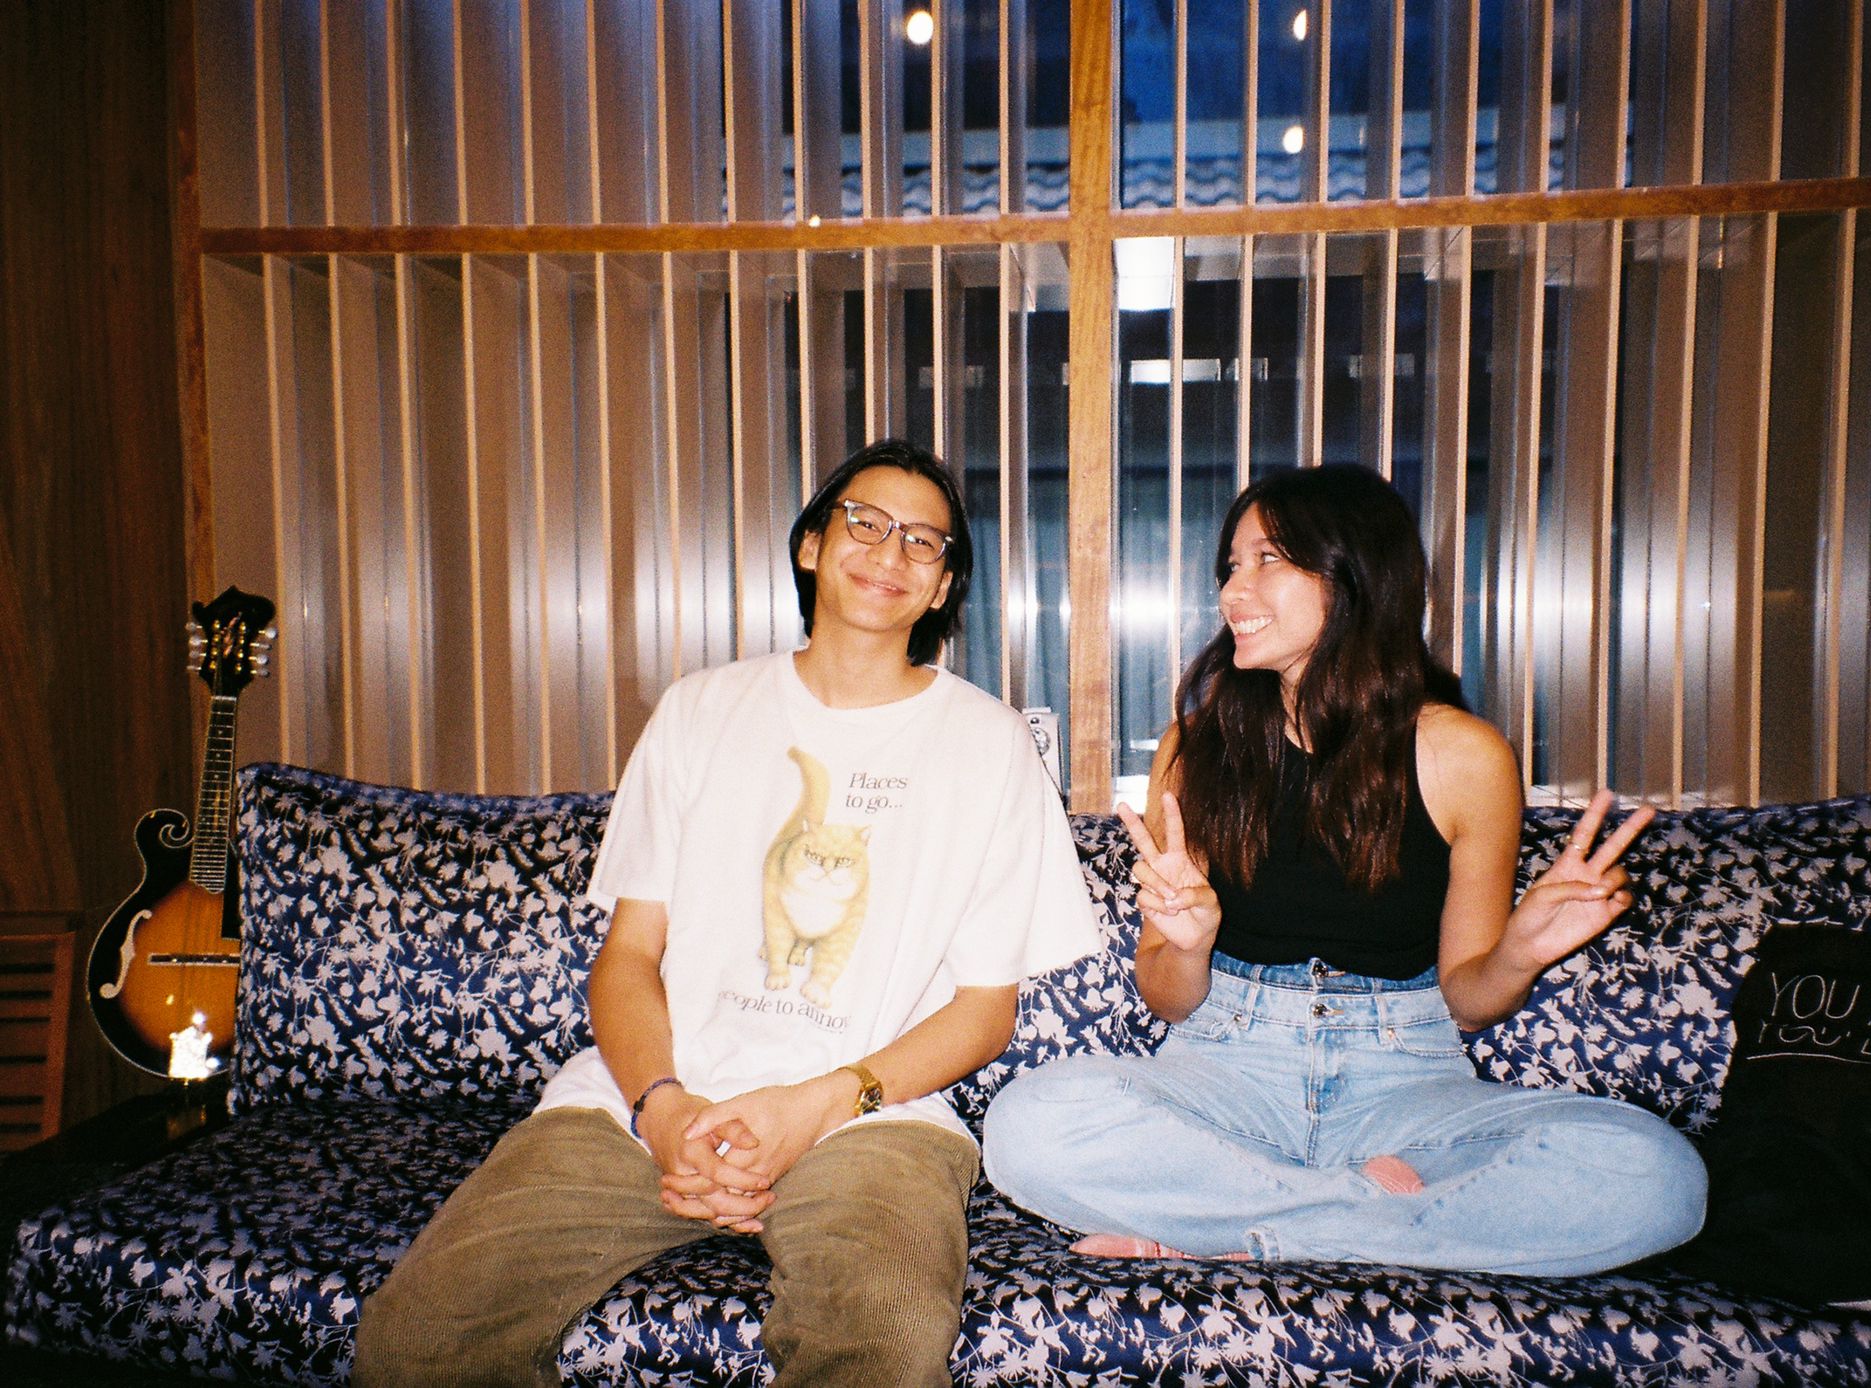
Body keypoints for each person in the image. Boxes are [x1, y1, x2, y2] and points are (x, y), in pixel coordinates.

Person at [355, 439, 1100, 1386]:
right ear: (810, 545)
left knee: (882, 1342)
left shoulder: (988, 743)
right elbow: (629, 956)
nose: (891, 551)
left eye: (924, 541)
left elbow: (986, 1011)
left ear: (944, 586)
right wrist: (663, 1110)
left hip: (872, 1116)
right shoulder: (699, 709)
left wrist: (814, 1105)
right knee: (417, 1340)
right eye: (865, 522)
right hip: (646, 1102)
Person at [982, 465, 1707, 1276]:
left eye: (1267, 560)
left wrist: (1521, 952)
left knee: (1657, 1177)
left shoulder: (1464, 754)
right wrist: (1188, 943)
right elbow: (1167, 997)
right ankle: (1359, 1218)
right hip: (1227, 1070)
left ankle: (1235, 1231)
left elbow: (1470, 1002)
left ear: (1355, 576)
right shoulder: (1197, 747)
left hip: (1405, 1085)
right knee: (1028, 1125)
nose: (1232, 591)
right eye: (1231, 565)